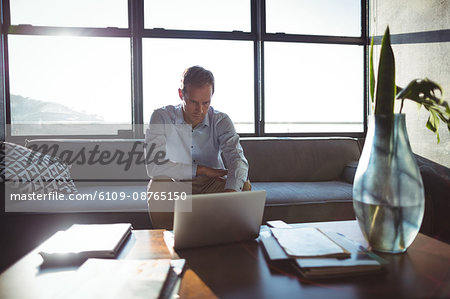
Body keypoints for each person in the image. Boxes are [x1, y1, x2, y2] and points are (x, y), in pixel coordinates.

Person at [144, 65, 250, 228]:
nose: (199, 110)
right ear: (181, 94)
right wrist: (199, 169)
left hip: (211, 184)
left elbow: (238, 159)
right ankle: (166, 242)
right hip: (177, 184)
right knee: (158, 184)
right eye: (193, 102)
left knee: (244, 185)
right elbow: (153, 167)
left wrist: (230, 194)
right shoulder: (161, 117)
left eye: (205, 102)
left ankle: (228, 243)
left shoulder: (221, 120)